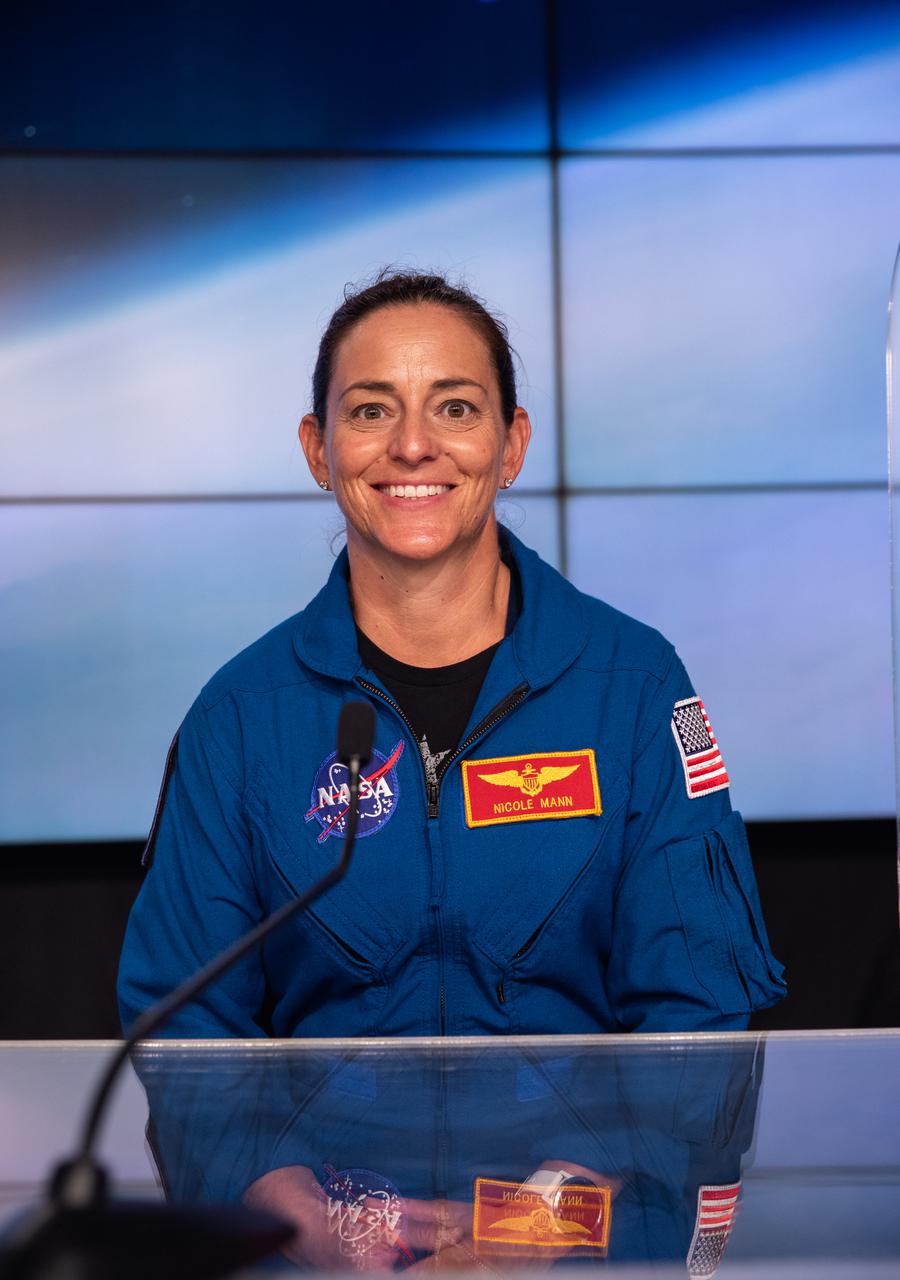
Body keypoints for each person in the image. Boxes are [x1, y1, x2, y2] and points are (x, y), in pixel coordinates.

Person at [117, 269, 785, 1041]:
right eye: (371, 411)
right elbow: (181, 1022)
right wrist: (270, 1166)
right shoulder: (237, 718)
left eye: (456, 408)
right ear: (318, 450)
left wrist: (609, 1161)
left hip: (586, 1161)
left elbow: (700, 1003)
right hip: (324, 1163)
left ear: (511, 446)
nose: (412, 446)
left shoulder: (636, 685)